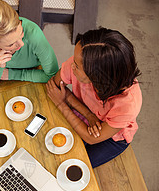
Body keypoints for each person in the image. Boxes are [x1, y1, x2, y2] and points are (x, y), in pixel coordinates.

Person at [46, 28, 142, 168]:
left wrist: (61, 103)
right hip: (84, 112)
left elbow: (91, 138)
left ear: (98, 77)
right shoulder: (80, 60)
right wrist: (88, 114)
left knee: (72, 164)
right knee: (53, 148)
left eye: (77, 66)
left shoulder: (128, 105)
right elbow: (55, 86)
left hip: (113, 137)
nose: (71, 65)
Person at [0, 0, 59, 91]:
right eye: (11, 44)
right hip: (4, 70)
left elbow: (53, 76)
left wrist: (11, 74)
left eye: (21, 33)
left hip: (34, 69)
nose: (22, 44)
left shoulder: (33, 33)